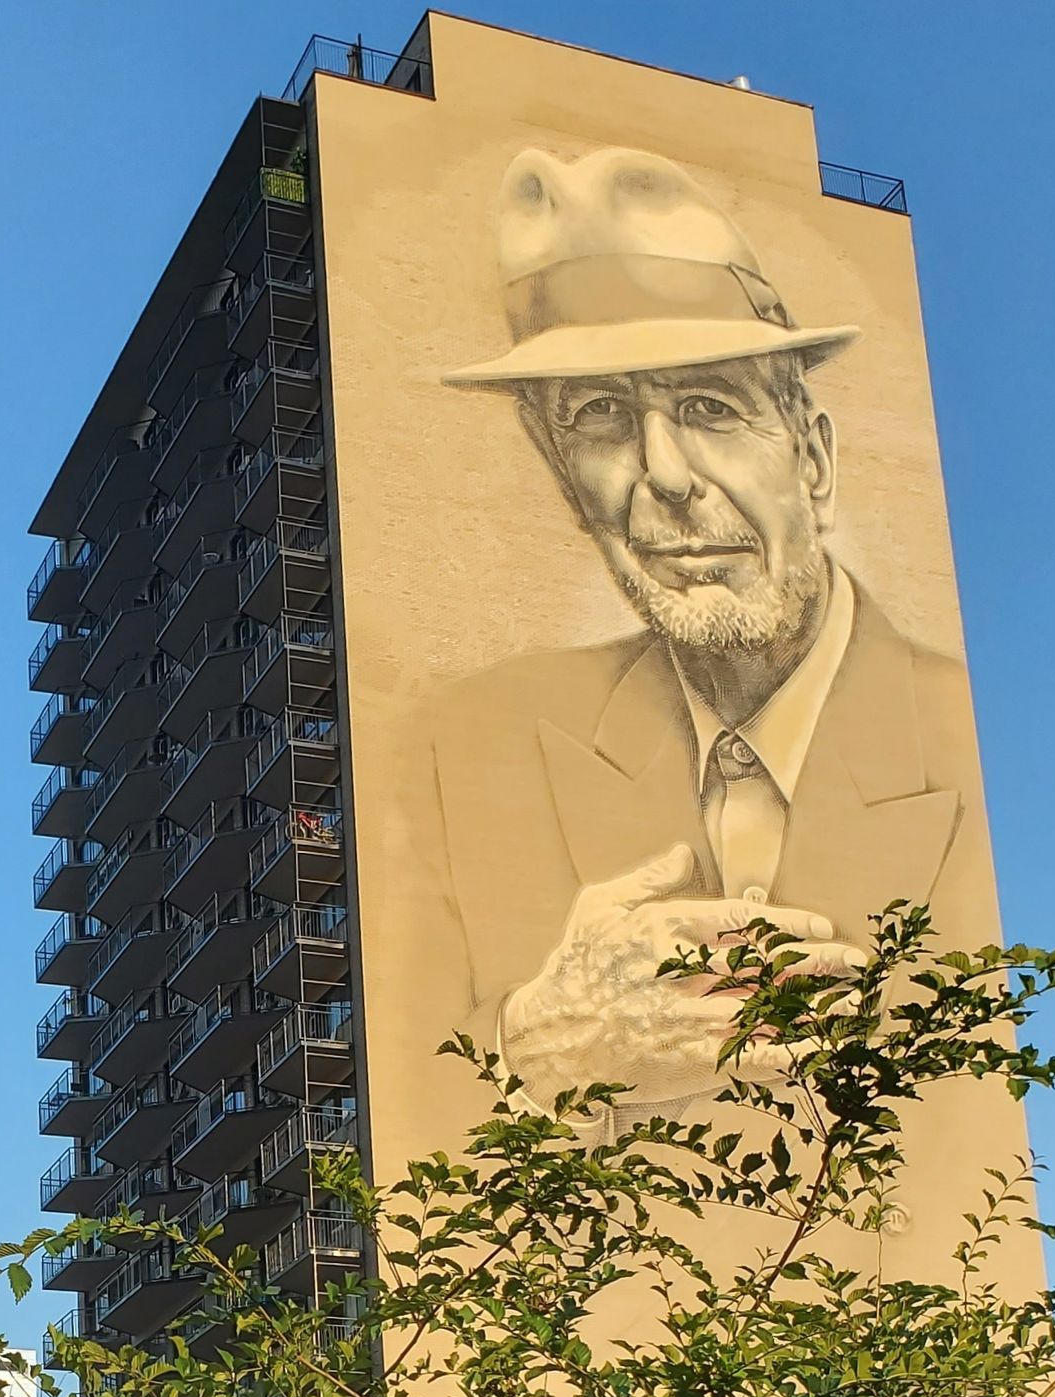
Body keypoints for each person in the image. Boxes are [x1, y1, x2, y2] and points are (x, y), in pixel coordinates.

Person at [423, 147, 995, 1138]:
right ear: (559, 473)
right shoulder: (462, 749)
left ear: (810, 456)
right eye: (601, 417)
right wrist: (533, 1048)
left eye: (707, 407)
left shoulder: (945, 727)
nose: (665, 476)